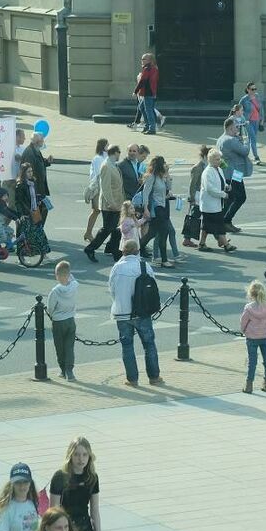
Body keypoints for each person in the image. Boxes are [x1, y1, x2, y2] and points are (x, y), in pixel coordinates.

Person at [108, 240, 162, 387]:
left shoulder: (117, 268)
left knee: (127, 346)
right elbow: (153, 288)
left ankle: (132, 379)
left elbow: (112, 289)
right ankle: (154, 377)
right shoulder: (144, 266)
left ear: (123, 252)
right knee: (149, 344)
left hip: (122, 313)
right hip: (142, 312)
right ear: (138, 251)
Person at [85, 146, 124, 263]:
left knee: (116, 229)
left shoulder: (112, 165)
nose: (119, 155)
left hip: (116, 203)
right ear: (115, 153)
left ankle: (116, 252)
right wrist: (111, 203)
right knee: (107, 229)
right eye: (119, 153)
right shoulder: (106, 166)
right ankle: (90, 248)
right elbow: (106, 188)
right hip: (109, 205)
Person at [240, 280, 266, 393]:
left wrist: (244, 331)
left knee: (252, 361)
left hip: (252, 337)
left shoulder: (249, 308)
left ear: (251, 294)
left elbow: (243, 322)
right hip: (265, 337)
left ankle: (249, 385)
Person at [216, 118, 252, 231]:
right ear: (230, 128)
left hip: (228, 171)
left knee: (231, 197)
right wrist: (246, 141)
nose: (238, 129)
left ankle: (224, 221)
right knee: (239, 197)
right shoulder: (231, 140)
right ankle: (225, 221)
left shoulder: (221, 139)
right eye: (236, 127)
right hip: (234, 173)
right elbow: (245, 151)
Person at [198, 149, 236, 252]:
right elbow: (210, 189)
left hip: (215, 204)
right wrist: (223, 194)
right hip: (209, 204)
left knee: (206, 226)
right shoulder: (207, 172)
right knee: (219, 224)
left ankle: (202, 243)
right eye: (217, 159)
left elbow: (221, 182)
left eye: (220, 159)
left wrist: (226, 187)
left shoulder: (218, 169)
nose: (219, 161)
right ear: (211, 160)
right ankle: (226, 244)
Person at [49, 260, 80, 381]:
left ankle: (62, 370)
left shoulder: (55, 291)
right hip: (70, 320)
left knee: (60, 347)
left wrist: (52, 315)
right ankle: (70, 371)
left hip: (58, 321)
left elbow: (51, 307)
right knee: (69, 347)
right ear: (68, 274)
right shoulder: (74, 285)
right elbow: (71, 277)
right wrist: (67, 273)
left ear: (56, 275)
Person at [14, 162, 51, 258]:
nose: (31, 173)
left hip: (34, 212)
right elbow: (18, 202)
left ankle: (44, 254)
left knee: (39, 233)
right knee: (24, 236)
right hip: (26, 214)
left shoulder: (32, 182)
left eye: (31, 171)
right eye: (28, 172)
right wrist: (21, 214)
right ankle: (21, 256)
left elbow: (32, 196)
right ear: (23, 173)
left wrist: (39, 199)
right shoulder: (20, 185)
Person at [83, 139, 110, 242]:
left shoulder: (103, 157)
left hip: (102, 187)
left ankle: (89, 233)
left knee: (97, 211)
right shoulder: (99, 158)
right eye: (107, 144)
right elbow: (100, 173)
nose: (109, 146)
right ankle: (89, 232)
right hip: (99, 188)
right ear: (104, 146)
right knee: (96, 211)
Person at [133, 53, 159, 134]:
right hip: (150, 93)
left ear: (150, 60)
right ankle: (147, 126)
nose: (142, 61)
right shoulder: (154, 68)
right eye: (142, 59)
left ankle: (151, 128)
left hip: (148, 93)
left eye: (144, 59)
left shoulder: (147, 69)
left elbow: (142, 81)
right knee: (142, 108)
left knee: (148, 111)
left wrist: (135, 91)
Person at [238, 82, 265, 163]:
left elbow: (261, 108)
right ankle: (256, 157)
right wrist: (243, 120)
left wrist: (262, 120)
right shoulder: (244, 99)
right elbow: (238, 110)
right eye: (252, 89)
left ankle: (245, 155)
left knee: (249, 139)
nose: (254, 91)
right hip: (248, 122)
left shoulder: (257, 96)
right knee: (253, 138)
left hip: (256, 121)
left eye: (255, 89)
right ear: (247, 90)